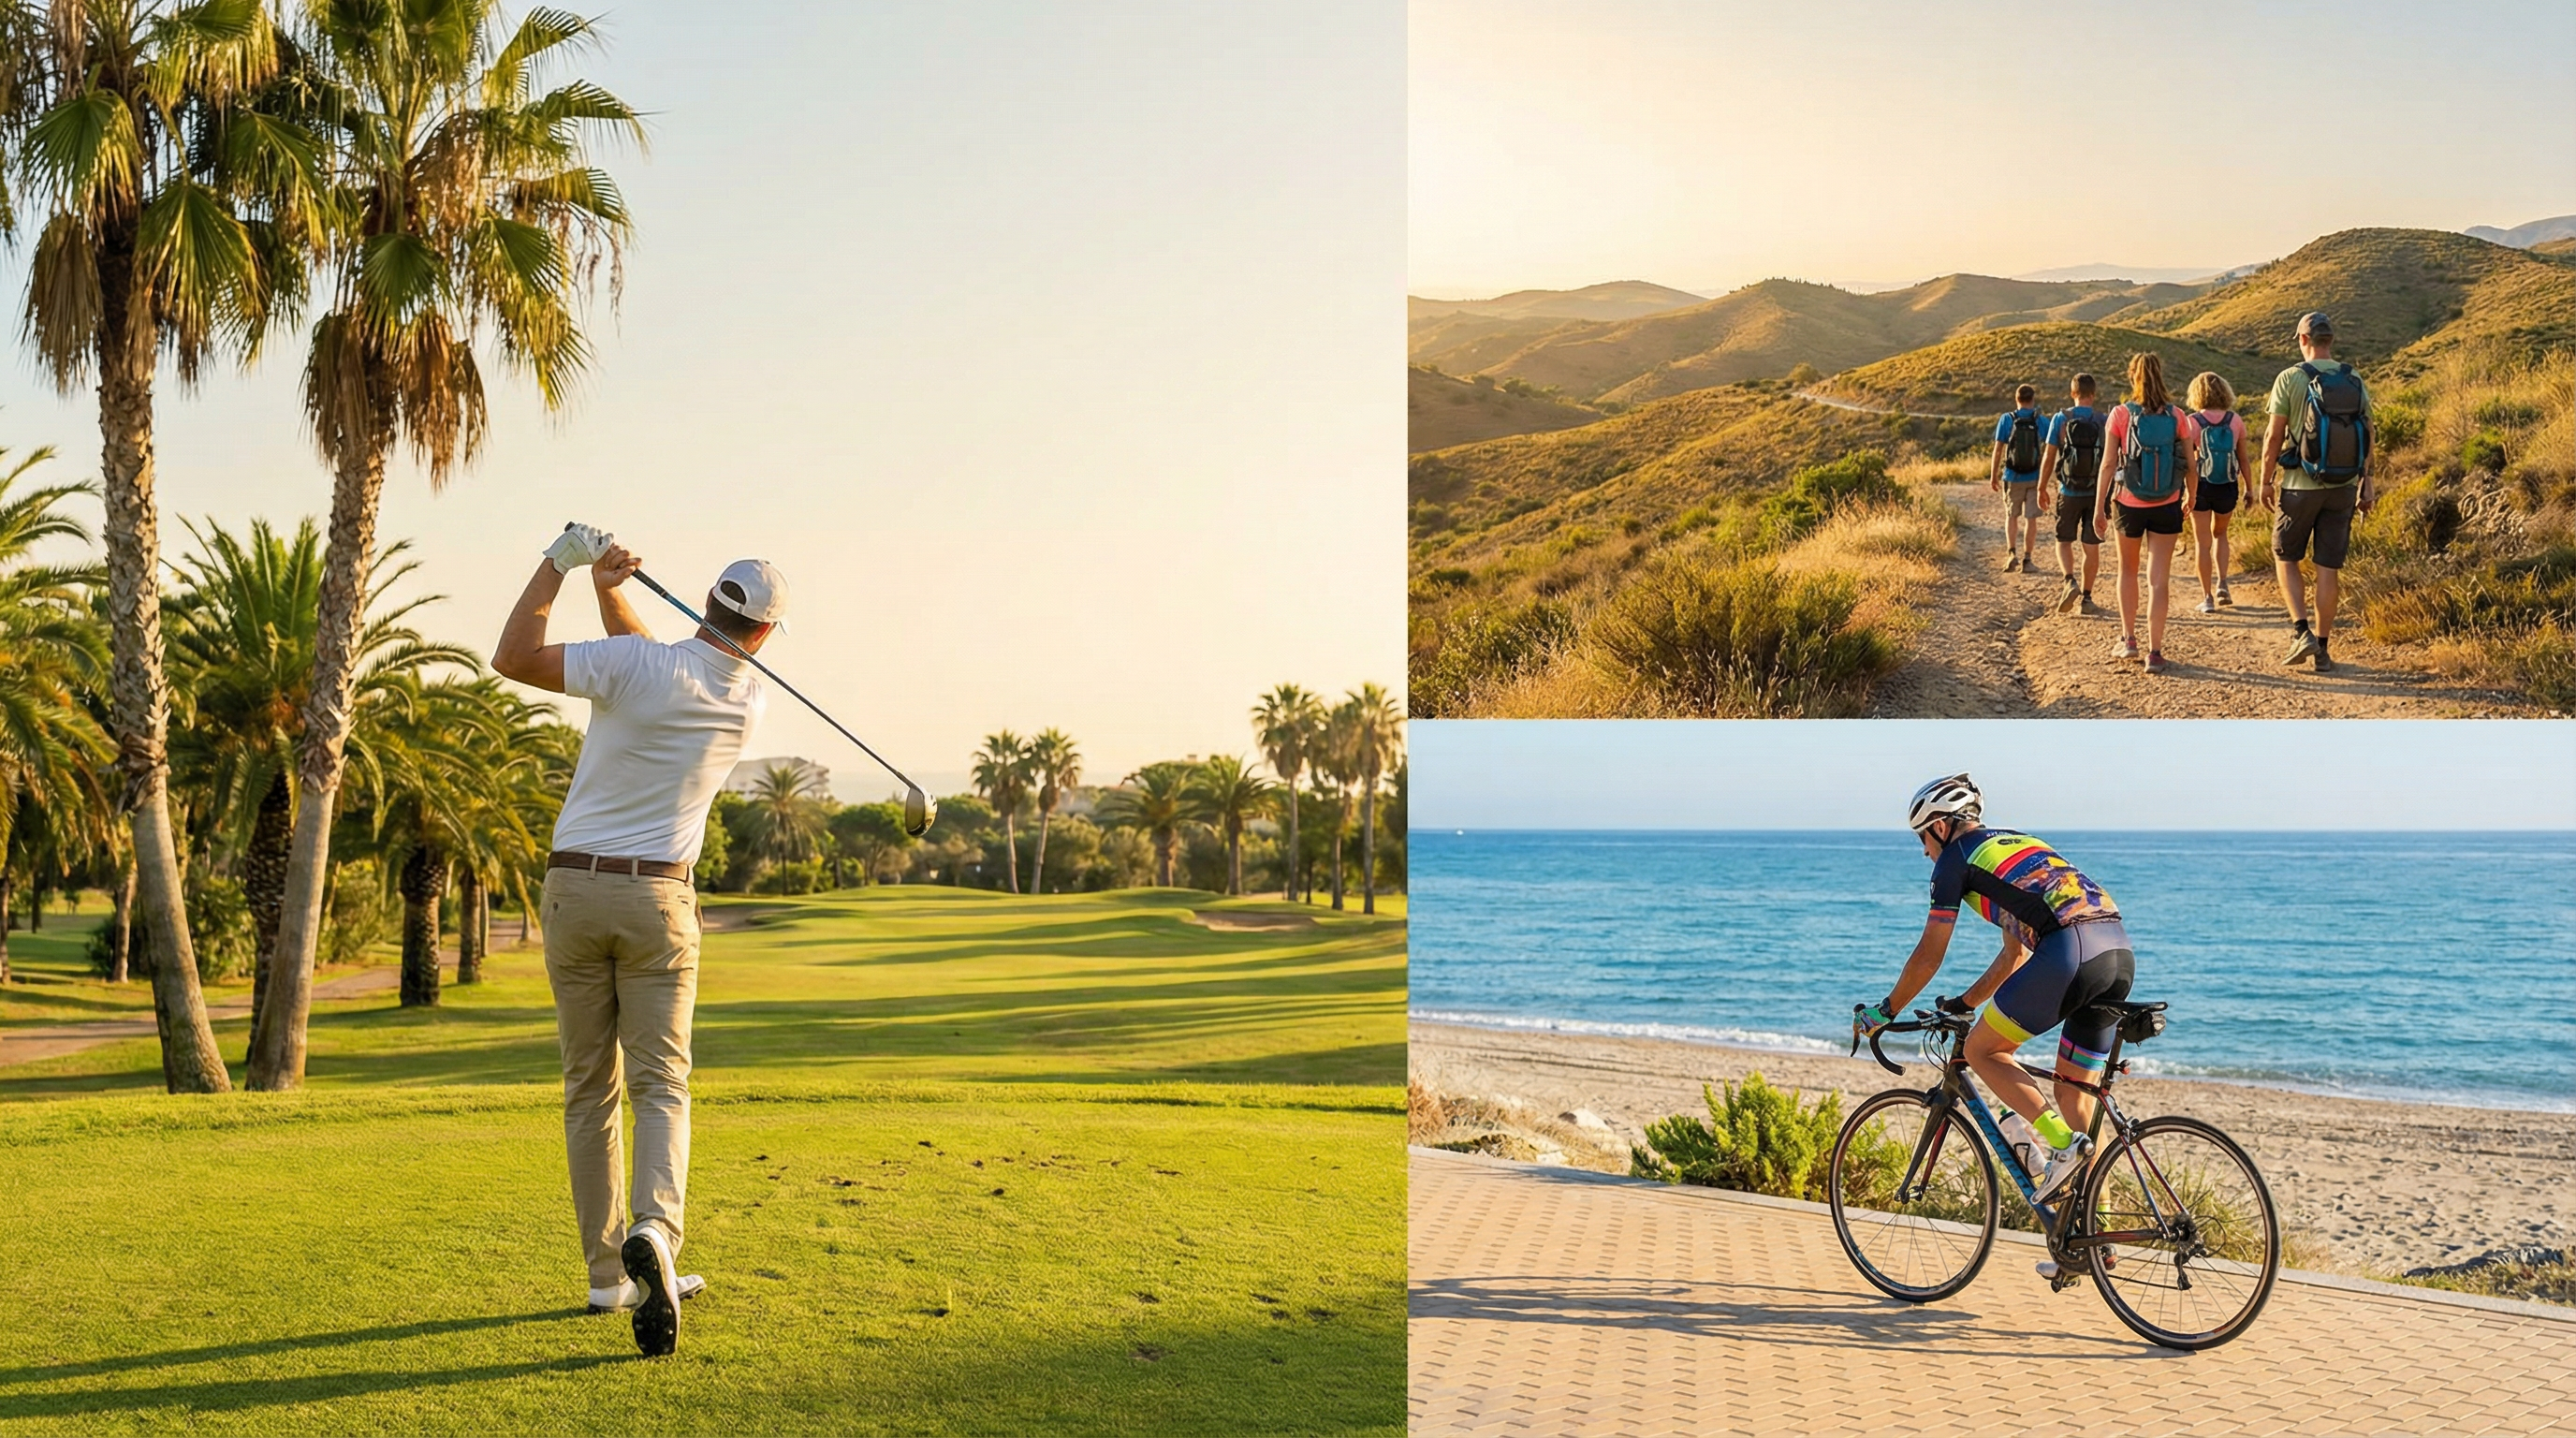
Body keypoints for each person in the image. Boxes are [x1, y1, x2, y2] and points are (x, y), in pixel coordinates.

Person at [492, 524, 787, 1357]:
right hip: (661, 900)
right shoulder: (745, 700)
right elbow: (659, 668)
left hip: (575, 892)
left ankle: (604, 1272)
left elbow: (514, 657)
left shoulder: (641, 670)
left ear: (707, 602)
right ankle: (655, 1233)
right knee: (660, 1084)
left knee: (591, 1088)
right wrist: (609, 587)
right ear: (763, 634)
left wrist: (564, 564)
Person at [1855, 774, 2135, 1220]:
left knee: (1984, 1051)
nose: (1923, 851)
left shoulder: (1954, 860)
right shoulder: (2015, 844)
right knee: (2075, 1097)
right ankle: (2091, 1237)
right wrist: (1966, 1003)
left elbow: (1930, 955)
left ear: (1941, 827)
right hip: (2117, 953)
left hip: (2070, 952)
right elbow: (2015, 954)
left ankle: (2061, 1145)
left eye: (1922, 839)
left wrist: (1885, 1010)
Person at [2260, 311, 2376, 674]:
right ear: (2331, 341)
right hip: (2343, 487)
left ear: (2302, 339)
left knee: (2286, 557)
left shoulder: (2290, 378)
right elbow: (2370, 432)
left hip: (2299, 486)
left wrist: (2264, 479)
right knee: (2328, 567)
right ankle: (2323, 649)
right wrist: (2367, 481)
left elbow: (2273, 437)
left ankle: (2301, 632)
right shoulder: (2352, 377)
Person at [2093, 352, 2199, 675]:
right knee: (2159, 579)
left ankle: (2128, 640)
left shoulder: (2120, 415)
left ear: (2132, 377)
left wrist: (2099, 506)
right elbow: (2191, 465)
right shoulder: (2179, 416)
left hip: (2128, 503)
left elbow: (2109, 464)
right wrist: (2191, 495)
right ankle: (2155, 653)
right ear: (2160, 375)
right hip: (2167, 503)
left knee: (2128, 571)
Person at [2040, 373, 2107, 614]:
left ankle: (2069, 580)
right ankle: (2087, 599)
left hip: (2067, 490)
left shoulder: (2061, 418)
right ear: (2094, 394)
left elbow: (2049, 456)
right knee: (2091, 546)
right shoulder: (2103, 420)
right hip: (2096, 492)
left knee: (2063, 540)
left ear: (2073, 393)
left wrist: (2041, 486)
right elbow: (2111, 460)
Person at [2184, 372, 2247, 613]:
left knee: (2202, 542)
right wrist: (2250, 489)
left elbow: (2188, 463)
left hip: (2201, 485)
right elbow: (2243, 459)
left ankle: (2207, 597)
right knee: (2220, 534)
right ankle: (2223, 584)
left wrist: (2185, 492)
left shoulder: (2192, 422)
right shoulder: (2235, 420)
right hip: (2227, 485)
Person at [1989, 383, 2048, 571]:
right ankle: (2028, 560)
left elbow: (1998, 449)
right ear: (2033, 400)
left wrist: (1993, 475)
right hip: (2034, 477)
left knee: (2012, 516)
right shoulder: (2040, 421)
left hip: (2012, 475)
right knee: (2031, 519)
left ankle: (2011, 554)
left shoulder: (2007, 419)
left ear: (2017, 399)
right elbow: (2052, 446)